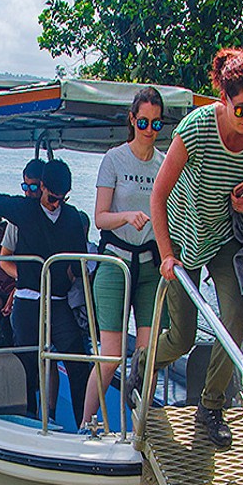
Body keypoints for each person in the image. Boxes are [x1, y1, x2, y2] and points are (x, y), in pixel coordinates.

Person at [127, 47, 243, 449]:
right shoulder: (194, 131)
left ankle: (210, 407)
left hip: (224, 237)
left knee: (235, 322)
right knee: (183, 338)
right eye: (241, 109)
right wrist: (166, 255)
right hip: (183, 240)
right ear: (223, 100)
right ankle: (144, 359)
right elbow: (158, 196)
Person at [0, 133, 92, 427]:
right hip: (28, 301)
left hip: (60, 302)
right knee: (27, 362)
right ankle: (29, 421)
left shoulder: (73, 218)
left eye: (61, 200)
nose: (54, 204)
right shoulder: (25, 210)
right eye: (50, 197)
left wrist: (80, 277)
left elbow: (78, 263)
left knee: (77, 360)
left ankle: (85, 424)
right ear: (42, 189)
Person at [81, 86, 167, 429]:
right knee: (110, 357)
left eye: (156, 124)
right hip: (116, 262)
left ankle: (143, 428)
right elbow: (100, 216)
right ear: (133, 120)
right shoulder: (114, 159)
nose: (149, 130)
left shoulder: (164, 164)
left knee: (147, 358)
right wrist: (127, 216)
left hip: (149, 265)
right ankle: (86, 423)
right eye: (143, 122)